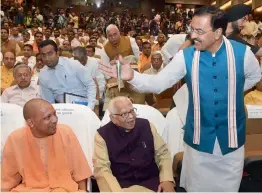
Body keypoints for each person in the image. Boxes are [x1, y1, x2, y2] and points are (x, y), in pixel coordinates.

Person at [99, 6, 262, 191]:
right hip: (199, 143)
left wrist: (231, 91)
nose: (193, 35)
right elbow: (159, 82)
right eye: (191, 29)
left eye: (199, 31)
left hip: (232, 142)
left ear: (217, 33)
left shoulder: (243, 53)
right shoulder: (187, 56)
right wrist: (132, 76)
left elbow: (255, 76)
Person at [1, 99, 92, 192]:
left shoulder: (66, 132)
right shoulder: (15, 139)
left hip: (64, 189)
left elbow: (80, 172)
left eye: (54, 114)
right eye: (47, 117)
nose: (55, 120)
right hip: (30, 190)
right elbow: (7, 179)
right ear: (31, 123)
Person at [93, 96, 175, 192]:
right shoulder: (102, 135)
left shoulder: (146, 126)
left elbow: (162, 153)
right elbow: (102, 168)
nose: (131, 117)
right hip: (121, 186)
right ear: (113, 118)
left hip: (153, 184)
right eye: (124, 114)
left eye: (132, 111)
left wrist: (166, 179)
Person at [39, 40, 97, 110]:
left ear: (57, 53)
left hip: (84, 106)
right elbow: (49, 102)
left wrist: (89, 108)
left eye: (50, 54)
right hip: (63, 110)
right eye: (43, 55)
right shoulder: (43, 75)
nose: (47, 58)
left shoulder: (73, 64)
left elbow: (90, 85)